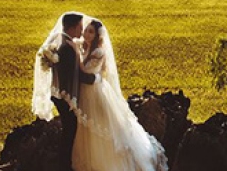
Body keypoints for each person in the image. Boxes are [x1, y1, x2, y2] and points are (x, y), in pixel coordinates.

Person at [72, 18, 168, 171]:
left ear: (97, 36)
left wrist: (76, 54)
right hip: (86, 92)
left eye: (90, 32)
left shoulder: (98, 52)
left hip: (95, 93)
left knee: (99, 124)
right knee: (87, 126)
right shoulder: (86, 48)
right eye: (86, 30)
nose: (86, 34)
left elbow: (85, 70)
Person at [32, 12, 101, 171]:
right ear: (74, 27)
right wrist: (96, 79)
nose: (82, 30)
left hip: (60, 94)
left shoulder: (62, 40)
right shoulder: (68, 47)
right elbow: (77, 75)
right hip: (65, 96)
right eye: (80, 26)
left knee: (69, 129)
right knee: (69, 132)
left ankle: (65, 164)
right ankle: (65, 165)